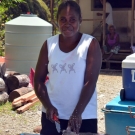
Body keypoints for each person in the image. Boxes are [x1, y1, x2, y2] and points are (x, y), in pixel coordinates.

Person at [34, 1, 102, 135]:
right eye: (63, 19)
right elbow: (38, 80)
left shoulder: (90, 44)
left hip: (83, 116)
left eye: (72, 20)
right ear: (57, 21)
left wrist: (77, 113)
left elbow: (90, 82)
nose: (67, 24)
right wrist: (48, 106)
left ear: (80, 20)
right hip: (53, 115)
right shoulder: (49, 45)